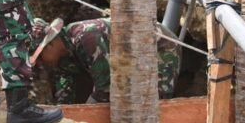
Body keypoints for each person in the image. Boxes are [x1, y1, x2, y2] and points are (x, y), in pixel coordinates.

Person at [29, 17, 180, 104]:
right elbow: (66, 92)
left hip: (157, 48)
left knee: (153, 101)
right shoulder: (61, 57)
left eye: (40, 58)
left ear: (50, 44)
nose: (41, 64)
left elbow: (105, 88)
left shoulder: (87, 39)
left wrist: (84, 120)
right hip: (127, 60)